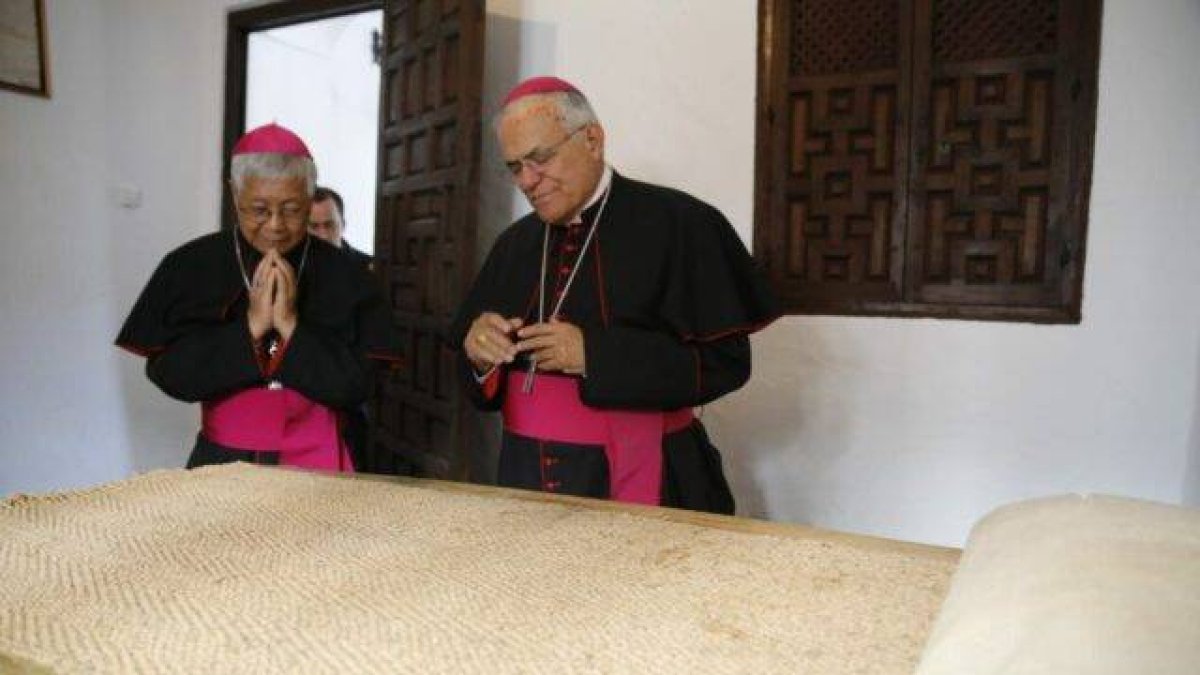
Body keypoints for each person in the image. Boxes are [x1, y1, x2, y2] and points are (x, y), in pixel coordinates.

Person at [450, 77, 778, 514]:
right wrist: (479, 356)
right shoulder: (515, 244)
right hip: (525, 479)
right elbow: (481, 388)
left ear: (592, 138)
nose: (528, 180)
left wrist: (596, 355)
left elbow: (727, 365)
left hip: (649, 476)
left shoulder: (681, 222)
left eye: (540, 157)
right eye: (515, 167)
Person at [116, 123, 400, 471]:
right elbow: (170, 374)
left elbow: (363, 384)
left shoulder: (348, 275)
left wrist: (290, 327)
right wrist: (252, 327)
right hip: (223, 459)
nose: (276, 225)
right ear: (235, 194)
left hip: (323, 459)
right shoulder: (190, 265)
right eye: (259, 209)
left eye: (293, 209)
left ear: (311, 198)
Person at [309, 185, 373, 271]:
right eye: (314, 227)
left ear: (343, 225)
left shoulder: (372, 270)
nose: (323, 236)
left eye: (329, 225)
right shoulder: (290, 269)